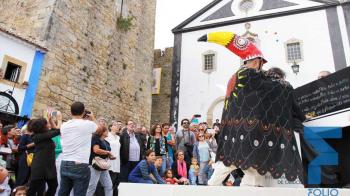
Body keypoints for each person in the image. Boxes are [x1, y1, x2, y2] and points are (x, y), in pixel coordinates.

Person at [199, 31, 303, 186]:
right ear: (256, 62)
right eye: (260, 63)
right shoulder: (252, 76)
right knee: (246, 170)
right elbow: (278, 92)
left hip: (234, 134)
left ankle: (211, 189)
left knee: (243, 170)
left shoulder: (241, 76)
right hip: (249, 136)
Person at [58, 102, 97, 196]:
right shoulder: (87, 124)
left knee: (63, 192)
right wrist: (93, 117)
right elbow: (97, 128)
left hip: (65, 162)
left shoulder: (64, 126)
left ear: (71, 112)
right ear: (84, 112)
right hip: (80, 163)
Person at [27, 115, 61, 196]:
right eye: (47, 124)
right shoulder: (37, 136)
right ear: (42, 127)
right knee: (33, 189)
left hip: (49, 166)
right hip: (40, 167)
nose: (48, 125)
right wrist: (59, 119)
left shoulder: (44, 134)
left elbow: (54, 130)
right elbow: (58, 131)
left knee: (53, 186)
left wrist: (50, 119)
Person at [86, 126, 115, 196]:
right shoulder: (95, 139)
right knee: (92, 186)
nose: (108, 132)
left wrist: (110, 156)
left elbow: (106, 153)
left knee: (109, 185)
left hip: (103, 165)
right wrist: (108, 152)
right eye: (107, 131)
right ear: (102, 132)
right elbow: (96, 150)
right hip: (95, 164)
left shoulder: (106, 142)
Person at [105, 122, 121, 196]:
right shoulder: (107, 135)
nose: (117, 126)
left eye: (117, 125)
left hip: (116, 162)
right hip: (108, 160)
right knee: (107, 183)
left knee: (114, 182)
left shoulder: (118, 137)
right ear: (110, 127)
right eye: (115, 125)